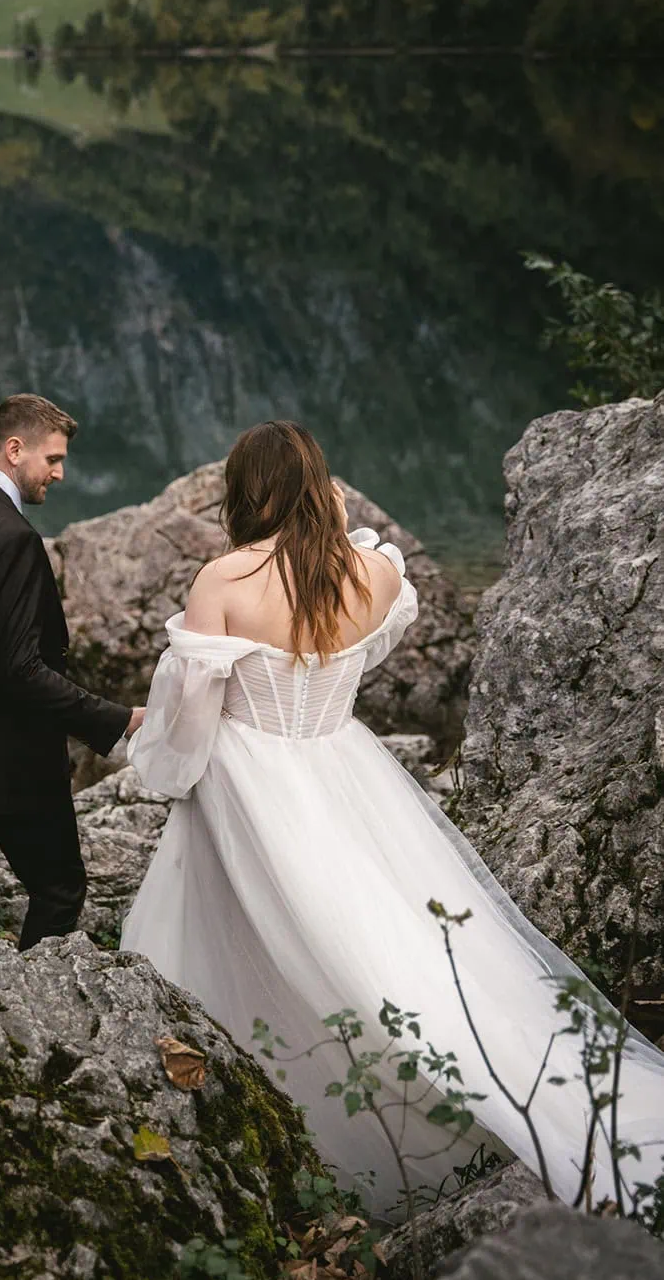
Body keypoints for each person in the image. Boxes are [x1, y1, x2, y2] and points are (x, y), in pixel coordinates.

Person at [120, 420, 664, 1217]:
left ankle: (264, 1078)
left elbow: (193, 721)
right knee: (376, 926)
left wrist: (163, 764)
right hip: (342, 762)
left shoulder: (224, 581)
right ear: (318, 484)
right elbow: (356, 657)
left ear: (243, 492)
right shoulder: (372, 570)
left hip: (253, 776)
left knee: (263, 924)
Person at [0, 393, 145, 950]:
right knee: (59, 889)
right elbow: (21, 668)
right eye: (52, 460)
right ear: (15, 450)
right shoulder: (12, 537)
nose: (58, 474)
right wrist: (117, 719)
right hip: (12, 761)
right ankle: (33, 1006)